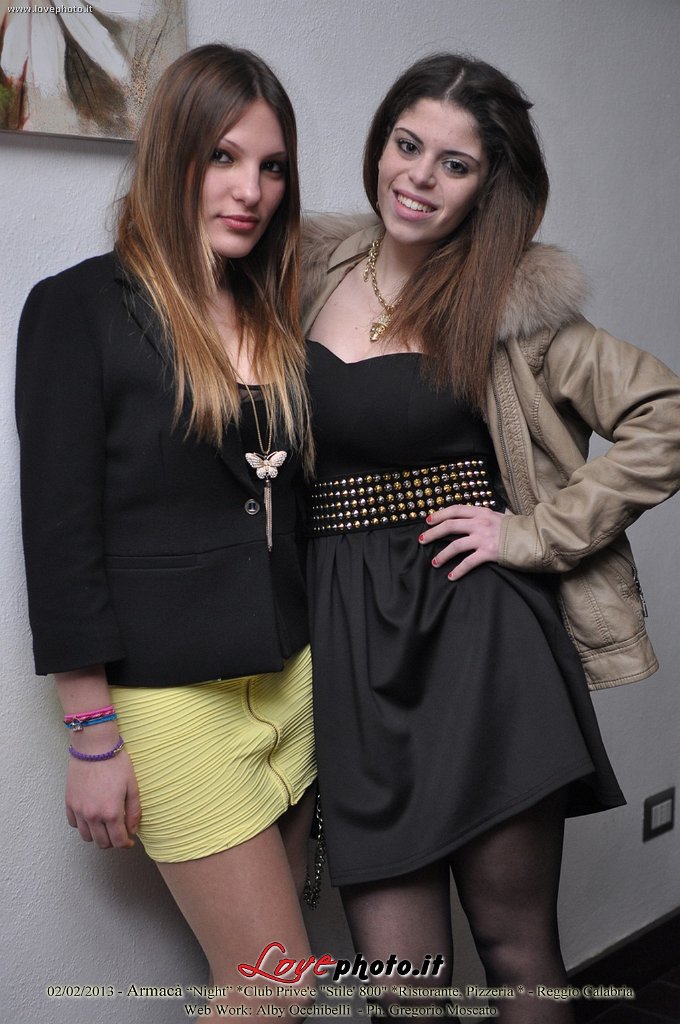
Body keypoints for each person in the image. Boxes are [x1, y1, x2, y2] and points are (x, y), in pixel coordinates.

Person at [301, 54, 680, 1022]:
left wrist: (536, 534)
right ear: (380, 144)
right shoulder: (304, 272)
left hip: (481, 640)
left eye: (455, 164)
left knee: (517, 949)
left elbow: (664, 415)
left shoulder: (512, 302)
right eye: (407, 144)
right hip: (350, 647)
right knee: (402, 984)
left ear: (487, 185)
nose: (419, 177)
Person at [16, 44, 317, 1015]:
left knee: (269, 980)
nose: (250, 190)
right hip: (173, 704)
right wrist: (91, 735)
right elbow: (60, 536)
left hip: (298, 684)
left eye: (272, 167)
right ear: (170, 155)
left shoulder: (278, 311)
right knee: (274, 990)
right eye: (222, 156)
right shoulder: (76, 309)